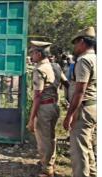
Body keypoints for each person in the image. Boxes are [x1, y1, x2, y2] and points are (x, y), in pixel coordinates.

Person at [63, 26, 96, 177]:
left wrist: (69, 115)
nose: (75, 47)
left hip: (83, 110)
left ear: (82, 42)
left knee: (79, 152)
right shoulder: (96, 58)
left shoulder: (83, 60)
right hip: (92, 108)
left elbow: (80, 91)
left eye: (75, 43)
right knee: (88, 147)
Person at [27, 41, 61, 177]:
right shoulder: (55, 66)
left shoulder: (39, 69)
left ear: (39, 54)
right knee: (51, 137)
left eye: (33, 53)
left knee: (43, 139)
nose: (31, 55)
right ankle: (49, 162)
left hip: (44, 108)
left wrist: (31, 119)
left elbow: (37, 96)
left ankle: (47, 170)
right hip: (54, 106)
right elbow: (65, 82)